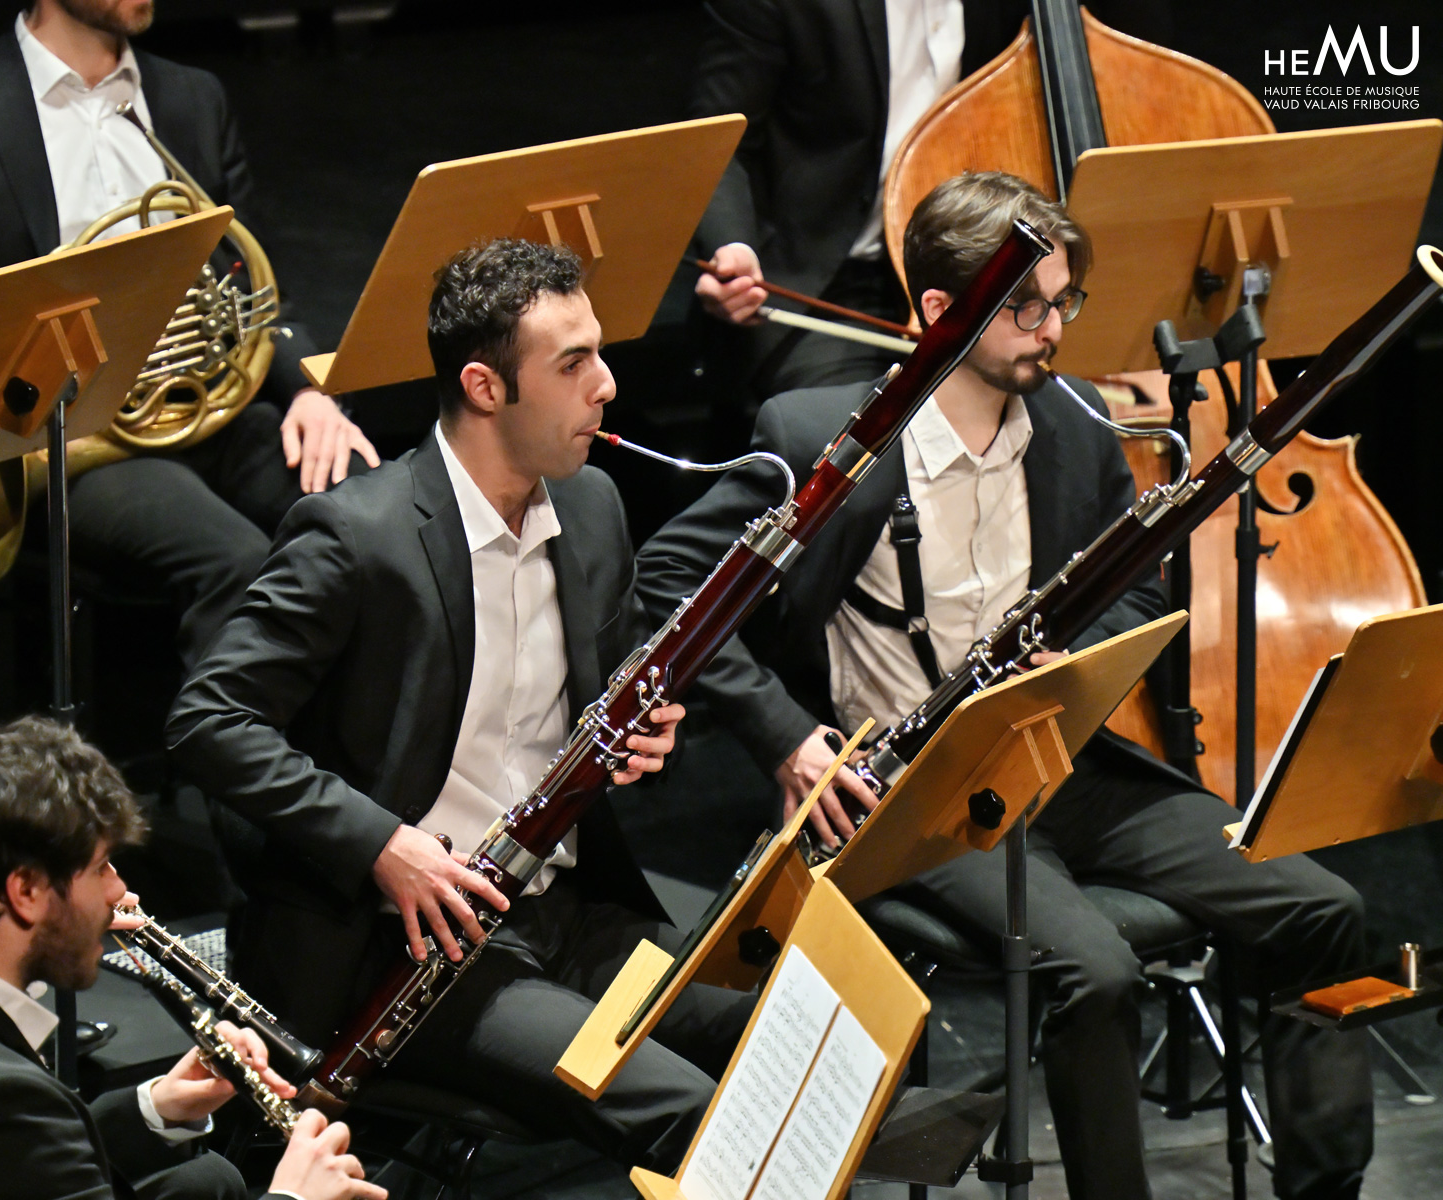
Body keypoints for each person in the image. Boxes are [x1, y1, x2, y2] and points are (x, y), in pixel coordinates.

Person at [639, 172, 1372, 1200]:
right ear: (941, 311)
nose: (1053, 330)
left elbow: (1134, 589)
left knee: (1323, 907)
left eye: (1063, 302)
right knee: (1097, 972)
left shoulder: (1073, 422)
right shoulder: (824, 437)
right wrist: (789, 739)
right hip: (914, 793)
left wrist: (1071, 663)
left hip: (1057, 762)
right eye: (1025, 307)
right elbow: (671, 579)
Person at [168, 239, 754, 1170]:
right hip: (410, 945)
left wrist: (653, 742)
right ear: (484, 387)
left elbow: (613, 705)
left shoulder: (593, 508)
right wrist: (382, 845)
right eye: (573, 364)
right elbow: (209, 720)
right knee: (686, 1110)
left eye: (599, 355)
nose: (607, 386)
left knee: (790, 1033)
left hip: (570, 911)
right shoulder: (358, 537)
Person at [0, 0, 380, 669]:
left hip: (207, 410)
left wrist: (312, 392)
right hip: (70, 441)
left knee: (373, 518)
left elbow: (251, 283)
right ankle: (234, 742)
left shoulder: (191, 96)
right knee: (235, 562)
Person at [0, 716, 383, 1200]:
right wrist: (294, 1197)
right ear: (25, 891)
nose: (119, 892)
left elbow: (21, 1164)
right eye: (100, 867)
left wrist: (156, 1106)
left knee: (207, 1181)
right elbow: (19, 1137)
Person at [689, 0, 1168, 394]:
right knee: (866, 439)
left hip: (972, 273)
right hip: (827, 280)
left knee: (1054, 419)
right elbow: (719, 139)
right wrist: (733, 244)